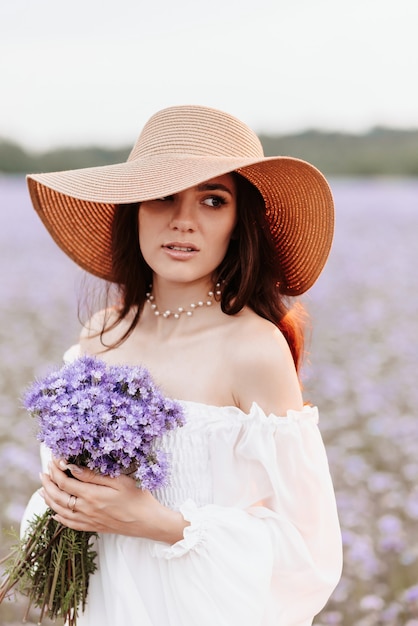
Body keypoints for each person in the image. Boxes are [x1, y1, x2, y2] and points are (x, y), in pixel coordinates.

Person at [23, 105, 342, 625]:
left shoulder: (255, 349)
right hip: (106, 604)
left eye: (213, 200)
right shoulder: (100, 334)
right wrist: (63, 497)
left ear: (240, 223)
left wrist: (161, 523)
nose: (183, 221)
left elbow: (305, 550)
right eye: (163, 195)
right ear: (135, 211)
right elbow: (62, 486)